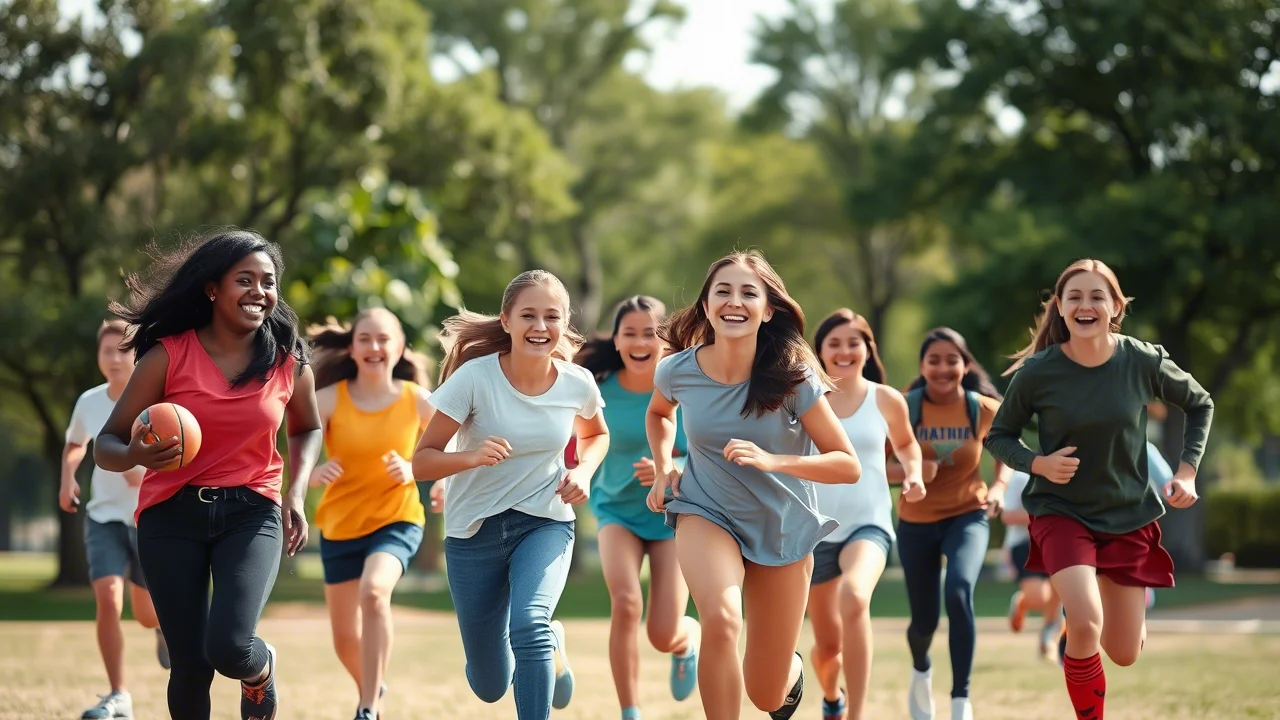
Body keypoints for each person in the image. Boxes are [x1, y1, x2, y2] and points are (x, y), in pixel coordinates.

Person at [94, 229, 324, 720]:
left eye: (268, 281)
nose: (259, 291)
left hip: (251, 512)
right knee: (190, 665)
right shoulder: (167, 355)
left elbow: (307, 429)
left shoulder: (287, 361)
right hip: (170, 515)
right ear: (212, 288)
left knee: (230, 647)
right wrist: (135, 451)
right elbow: (105, 445)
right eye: (245, 279)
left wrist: (296, 495)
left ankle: (260, 671)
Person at [985, 258, 1213, 720]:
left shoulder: (1143, 360)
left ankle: (1109, 615)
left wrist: (1187, 472)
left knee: (1123, 651)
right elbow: (999, 436)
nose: (1085, 305)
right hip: (1060, 511)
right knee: (1085, 623)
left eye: (1096, 296)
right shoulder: (1039, 372)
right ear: (1060, 308)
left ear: (1115, 306)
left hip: (1128, 514)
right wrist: (1038, 463)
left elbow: (1199, 403)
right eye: (1074, 297)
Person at [645, 251, 861, 720]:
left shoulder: (793, 376)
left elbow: (847, 464)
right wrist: (665, 466)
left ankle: (789, 672)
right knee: (721, 622)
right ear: (706, 306)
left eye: (748, 293)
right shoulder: (677, 370)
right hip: (706, 511)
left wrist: (773, 460)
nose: (734, 301)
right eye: (722, 291)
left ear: (767, 310)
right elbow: (660, 414)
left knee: (765, 693)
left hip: (782, 528)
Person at [411, 269, 609, 720]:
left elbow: (598, 434)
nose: (540, 327)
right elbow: (422, 460)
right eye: (529, 315)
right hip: (473, 531)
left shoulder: (577, 381)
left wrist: (584, 470)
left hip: (545, 520)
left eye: (551, 316)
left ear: (564, 323)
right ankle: (548, 647)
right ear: (506, 321)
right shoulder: (474, 379)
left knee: (530, 626)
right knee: (489, 683)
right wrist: (472, 456)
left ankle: (544, 641)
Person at [576, 295, 700, 720]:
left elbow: (706, 453)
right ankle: (630, 711)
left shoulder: (685, 392)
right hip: (615, 513)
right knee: (625, 602)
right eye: (629, 333)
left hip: (671, 518)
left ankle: (686, 642)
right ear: (616, 340)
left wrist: (673, 467)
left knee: (663, 634)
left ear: (667, 339)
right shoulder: (598, 392)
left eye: (651, 332)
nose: (640, 341)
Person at [309, 309, 436, 720]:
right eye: (365, 339)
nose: (375, 347)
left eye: (384, 339)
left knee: (374, 591)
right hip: (340, 524)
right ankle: (372, 683)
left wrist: (420, 471)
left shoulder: (418, 400)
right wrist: (312, 473)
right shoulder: (327, 399)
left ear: (399, 348)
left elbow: (449, 451)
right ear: (352, 347)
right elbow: (291, 448)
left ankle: (367, 708)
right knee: (345, 639)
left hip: (396, 518)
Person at [806, 309, 925, 720]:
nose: (844, 351)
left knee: (854, 596)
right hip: (815, 530)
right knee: (826, 649)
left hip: (869, 525)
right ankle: (832, 699)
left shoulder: (885, 399)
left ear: (867, 349)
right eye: (834, 343)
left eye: (853, 343)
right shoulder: (804, 398)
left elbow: (908, 446)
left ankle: (856, 715)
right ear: (819, 350)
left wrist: (912, 475)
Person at [891, 327, 1010, 720]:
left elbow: (1005, 447)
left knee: (959, 591)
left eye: (951, 360)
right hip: (916, 521)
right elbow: (874, 464)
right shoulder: (904, 408)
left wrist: (999, 488)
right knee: (923, 621)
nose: (943, 368)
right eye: (934, 360)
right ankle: (921, 668)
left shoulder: (981, 408)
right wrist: (911, 470)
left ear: (965, 365)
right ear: (922, 366)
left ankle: (961, 700)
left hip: (968, 515)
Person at [62, 319, 169, 720]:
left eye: (122, 350)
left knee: (145, 614)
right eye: (106, 350)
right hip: (103, 517)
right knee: (107, 598)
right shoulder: (89, 402)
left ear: (137, 356)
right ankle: (117, 695)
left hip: (146, 519)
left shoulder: (155, 403)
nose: (114, 358)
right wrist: (67, 476)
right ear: (98, 357)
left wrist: (137, 466)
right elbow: (76, 442)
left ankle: (160, 628)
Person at [1001, 468, 1063, 661]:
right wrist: (1045, 516)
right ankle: (1022, 602)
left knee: (1060, 595)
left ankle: (1048, 641)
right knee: (1039, 599)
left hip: (1056, 542)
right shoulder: (1021, 478)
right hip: (1024, 544)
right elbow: (1008, 516)